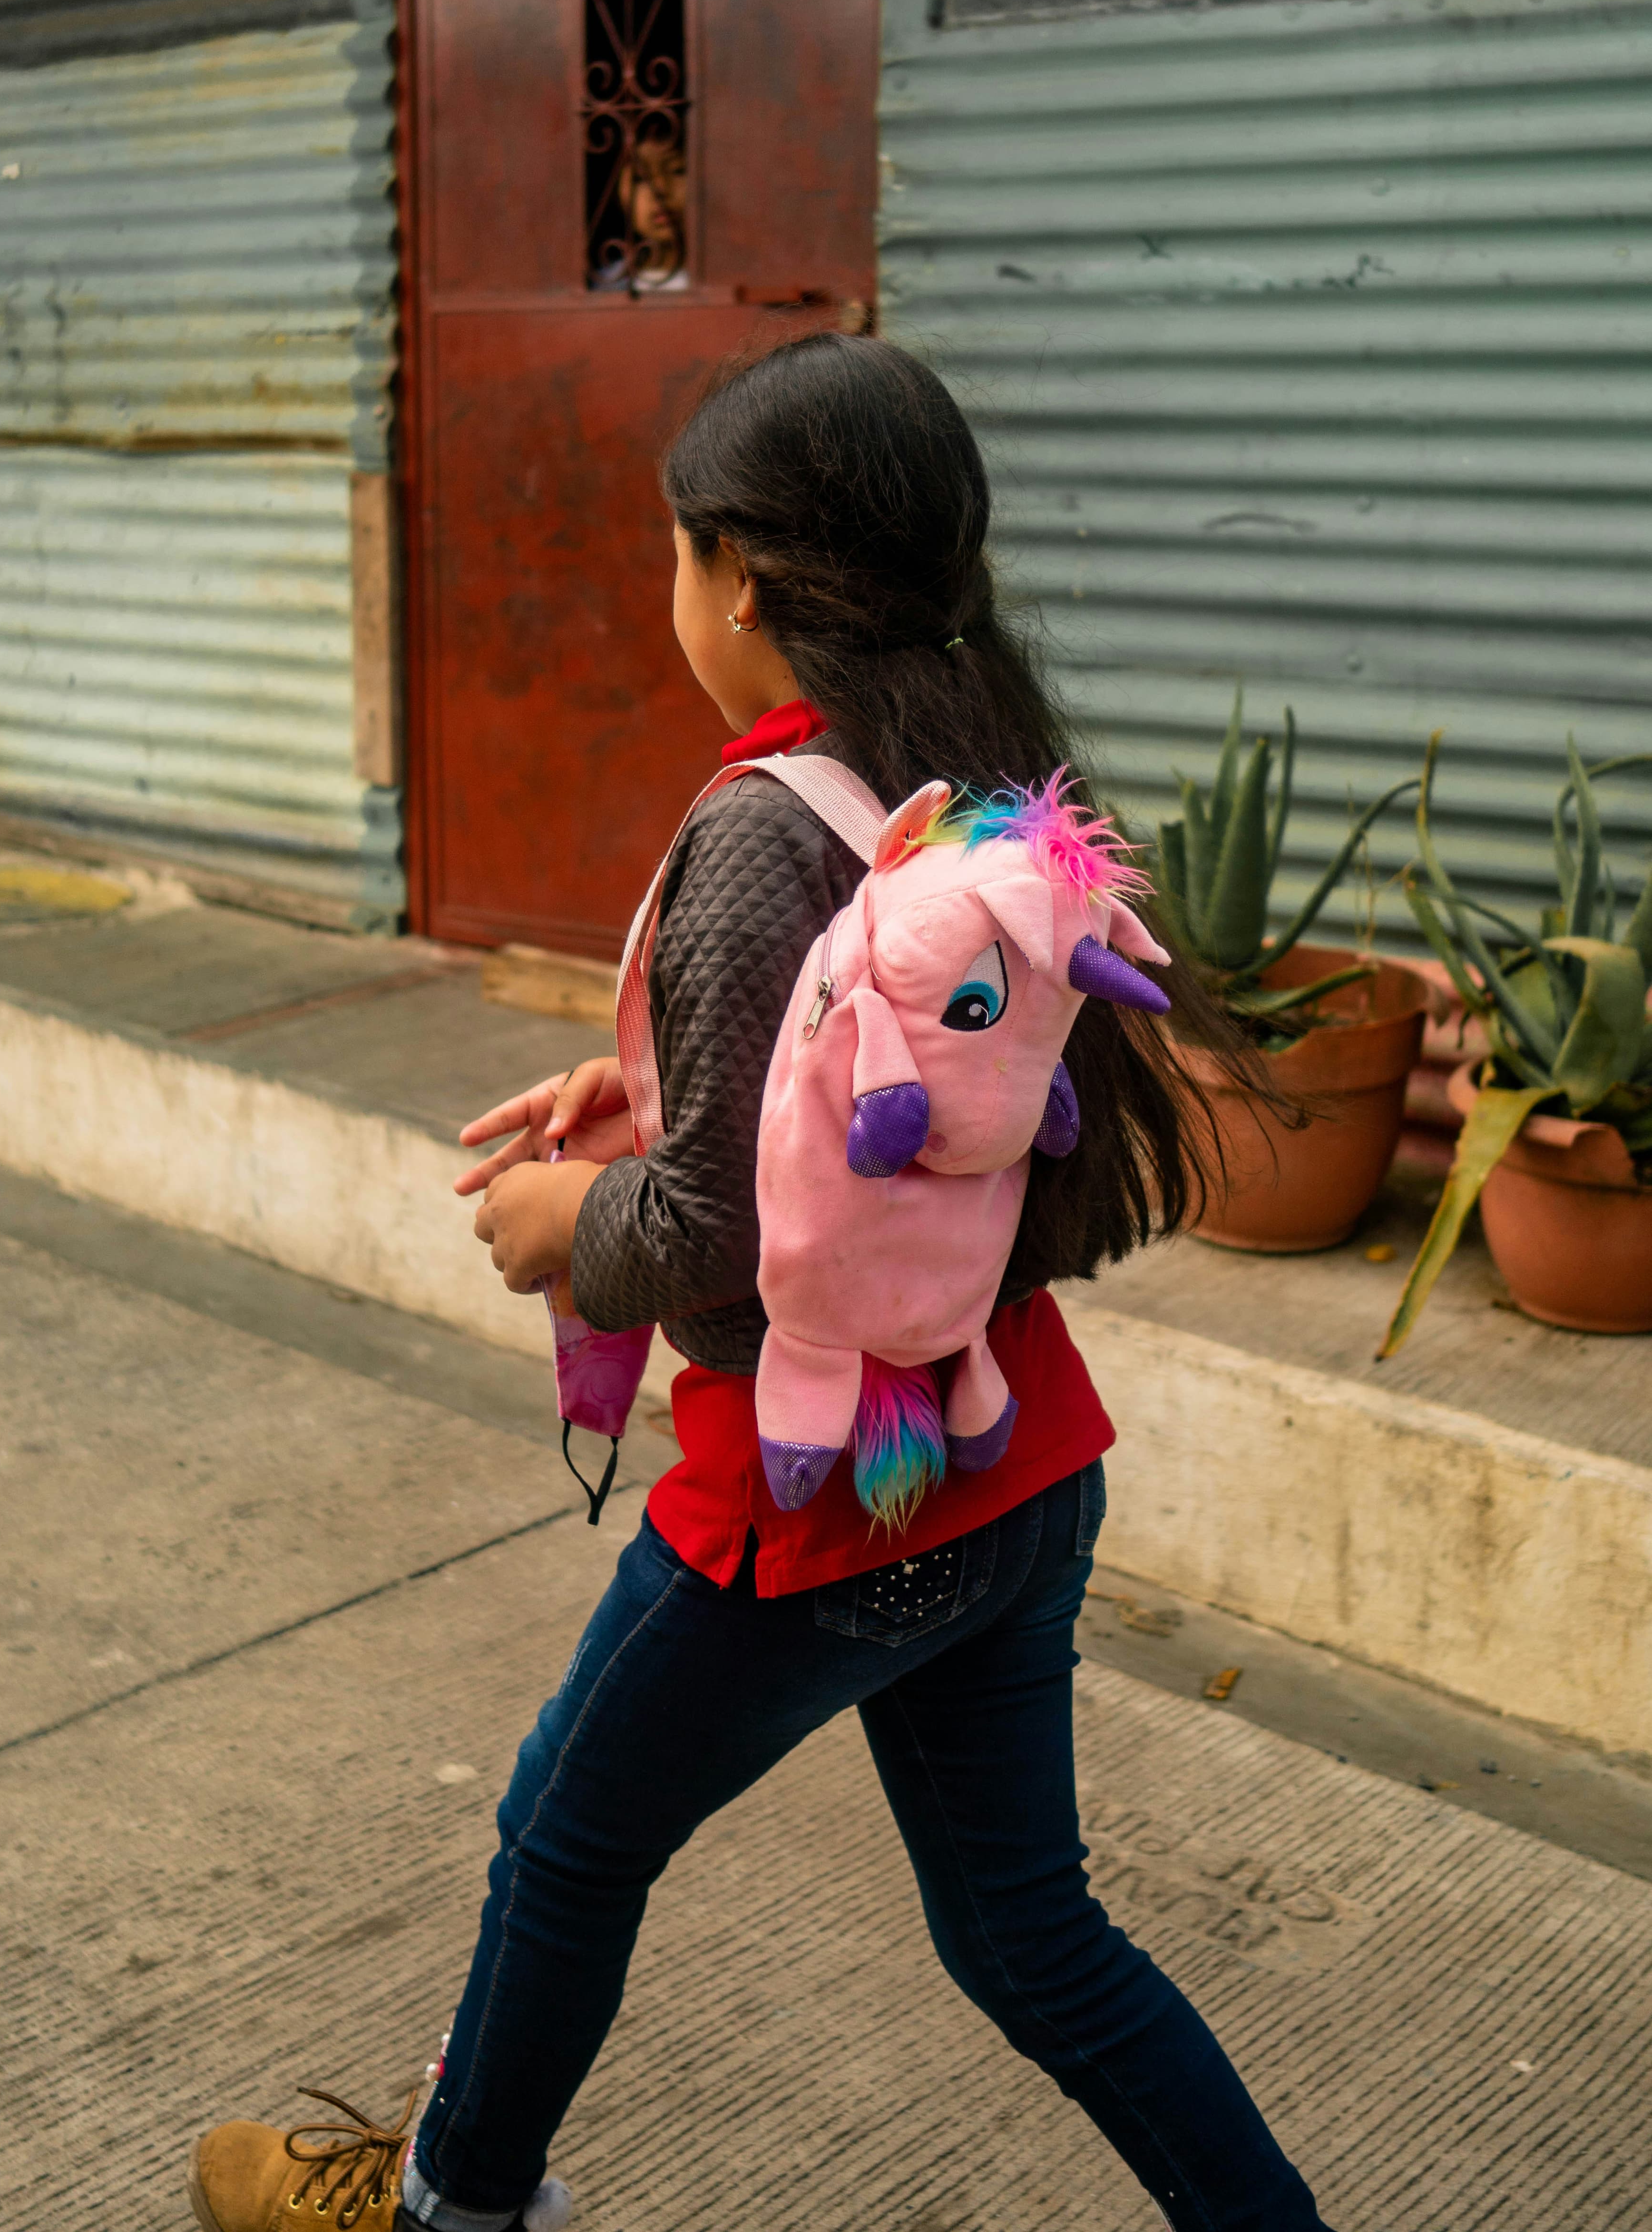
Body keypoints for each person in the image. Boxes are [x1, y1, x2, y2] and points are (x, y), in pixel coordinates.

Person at [187, 335, 1333, 2232]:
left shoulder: (751, 828)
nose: (674, 596)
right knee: (1033, 1939)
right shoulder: (968, 783)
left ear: (749, 583)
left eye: (677, 555)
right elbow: (877, 1102)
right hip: (1014, 1453)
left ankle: (445, 2209)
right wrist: (651, 1087)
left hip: (815, 1504)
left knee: (562, 1842)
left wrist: (579, 1228)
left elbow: (719, 1224)